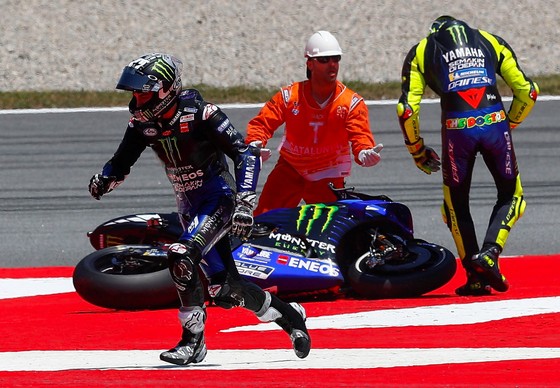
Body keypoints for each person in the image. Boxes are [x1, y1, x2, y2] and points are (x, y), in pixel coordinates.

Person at [88, 53, 311, 365]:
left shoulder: (202, 113)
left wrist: (245, 202)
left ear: (165, 89)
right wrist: (105, 179)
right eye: (135, 93)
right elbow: (121, 161)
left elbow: (244, 154)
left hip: (219, 199)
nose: (137, 100)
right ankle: (290, 315)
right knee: (226, 289)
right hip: (189, 208)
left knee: (180, 254)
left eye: (143, 92)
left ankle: (193, 341)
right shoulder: (141, 124)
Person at [396, 16, 538, 296]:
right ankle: (489, 254)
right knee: (513, 195)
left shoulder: (422, 49)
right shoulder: (490, 39)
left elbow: (407, 110)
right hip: (494, 121)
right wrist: (510, 123)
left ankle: (475, 277)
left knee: (455, 205)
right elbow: (528, 91)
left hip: (456, 130)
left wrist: (417, 150)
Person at [246, 30, 383, 215]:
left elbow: (360, 136)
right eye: (324, 60)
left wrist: (364, 152)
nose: (332, 65)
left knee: (334, 230)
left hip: (328, 175)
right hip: (290, 170)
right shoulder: (289, 96)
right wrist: (254, 144)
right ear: (309, 63)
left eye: (336, 59)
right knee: (263, 219)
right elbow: (262, 123)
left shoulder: (351, 103)